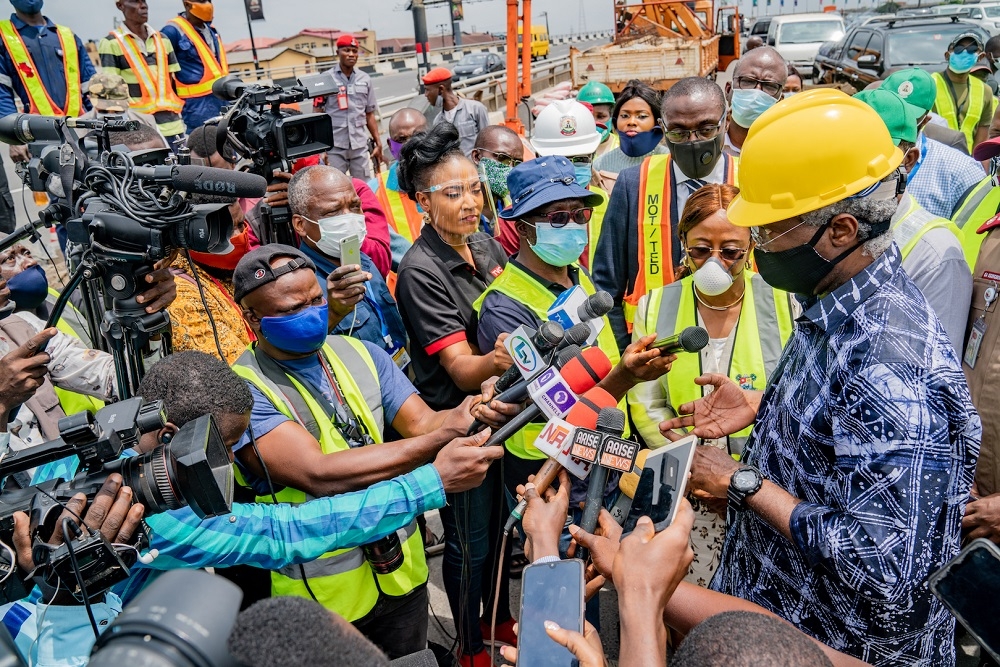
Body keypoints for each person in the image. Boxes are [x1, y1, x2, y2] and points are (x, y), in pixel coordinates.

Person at [659, 90, 980, 666]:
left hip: (836, 647)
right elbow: (851, 436)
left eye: (769, 230)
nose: (756, 247)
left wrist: (743, 482)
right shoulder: (837, 302)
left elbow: (884, 567)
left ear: (841, 231)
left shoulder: (889, 362)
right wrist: (765, 406)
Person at [5, 350, 502, 661]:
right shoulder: (152, 512)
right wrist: (431, 482)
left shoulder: (94, 450)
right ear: (173, 436)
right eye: (227, 448)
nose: (241, 466)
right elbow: (288, 531)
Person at [229, 244, 507, 660]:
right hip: (323, 593)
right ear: (253, 319)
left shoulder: (360, 352)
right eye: (291, 309)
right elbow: (317, 473)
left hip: (399, 572)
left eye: (316, 300)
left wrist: (471, 411)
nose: (310, 313)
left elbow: (424, 423)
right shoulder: (242, 389)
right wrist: (440, 438)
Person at [627, 183, 795, 586]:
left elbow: (793, 395)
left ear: (752, 245)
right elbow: (646, 401)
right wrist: (692, 471)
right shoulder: (657, 303)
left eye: (731, 251)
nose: (715, 263)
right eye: (701, 250)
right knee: (687, 599)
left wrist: (737, 479)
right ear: (682, 243)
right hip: (688, 486)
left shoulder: (784, 300)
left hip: (761, 486)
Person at [393, 122, 511, 666]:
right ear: (422, 201)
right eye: (453, 192)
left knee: (502, 534)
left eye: (474, 188)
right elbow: (462, 371)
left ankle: (499, 617)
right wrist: (507, 353)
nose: (470, 202)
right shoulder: (420, 270)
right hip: (459, 424)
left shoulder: (485, 244)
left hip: (505, 414)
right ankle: (469, 644)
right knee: (470, 542)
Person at [593, 76, 738, 351]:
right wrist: (625, 356)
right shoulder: (633, 184)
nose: (693, 142)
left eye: (706, 129)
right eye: (679, 133)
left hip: (736, 342)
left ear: (725, 122)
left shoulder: (750, 180)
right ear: (663, 129)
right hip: (654, 348)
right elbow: (606, 284)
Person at [856, 87, 973, 352]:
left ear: (908, 160)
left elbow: (936, 375)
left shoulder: (936, 253)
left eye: (872, 154)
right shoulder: (827, 223)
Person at [288, 165, 408, 363]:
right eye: (333, 211)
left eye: (354, 207)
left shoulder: (363, 260)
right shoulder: (300, 287)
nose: (349, 218)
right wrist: (334, 313)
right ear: (300, 224)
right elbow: (297, 355)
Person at [0, 0, 97, 164]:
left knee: (95, 184)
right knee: (50, 187)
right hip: (37, 136)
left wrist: (100, 126)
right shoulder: (4, 36)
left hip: (81, 130)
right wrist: (14, 138)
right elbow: (2, 92)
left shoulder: (68, 36)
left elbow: (90, 87)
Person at [879, 68, 984, 219]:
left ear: (925, 121)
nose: (894, 121)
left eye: (907, 117)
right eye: (888, 111)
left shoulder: (961, 172)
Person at [166, 194, 254, 364]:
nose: (238, 236)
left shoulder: (233, 271)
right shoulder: (180, 295)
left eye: (241, 225)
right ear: (193, 234)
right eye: (226, 229)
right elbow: (235, 372)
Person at [529, 100, 611, 268]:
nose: (570, 169)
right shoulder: (523, 214)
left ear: (593, 156)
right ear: (539, 157)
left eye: (580, 159)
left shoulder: (606, 202)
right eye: (561, 160)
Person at [98, 0, 186, 152]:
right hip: (140, 134)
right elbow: (112, 98)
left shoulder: (163, 40)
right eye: (135, 1)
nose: (143, 6)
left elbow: (174, 85)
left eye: (144, 1)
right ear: (120, 6)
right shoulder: (111, 43)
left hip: (174, 128)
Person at [161, 0, 228, 134]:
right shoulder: (172, 32)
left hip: (221, 99)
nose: (208, 5)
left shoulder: (211, 30)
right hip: (196, 106)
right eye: (202, 1)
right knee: (203, 146)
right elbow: (162, 72)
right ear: (187, 5)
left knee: (227, 143)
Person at [319, 34, 381, 179]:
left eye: (354, 51)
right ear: (337, 52)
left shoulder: (364, 79)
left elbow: (369, 113)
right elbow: (318, 114)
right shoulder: (326, 78)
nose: (351, 54)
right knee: (336, 189)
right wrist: (321, 149)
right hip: (334, 147)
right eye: (346, 50)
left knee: (364, 187)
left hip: (359, 146)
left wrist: (378, 141)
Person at [374, 108, 428, 264]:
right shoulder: (374, 191)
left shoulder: (450, 178)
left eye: (417, 136)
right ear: (390, 146)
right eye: (402, 139)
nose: (410, 144)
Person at [592, 79, 666, 180]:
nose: (631, 122)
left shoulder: (670, 160)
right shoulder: (600, 164)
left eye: (642, 116)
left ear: (657, 122)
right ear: (615, 121)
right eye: (625, 115)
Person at [933, 32, 993, 153]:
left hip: (967, 161)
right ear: (947, 55)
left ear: (980, 57)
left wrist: (976, 165)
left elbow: (982, 136)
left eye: (972, 49)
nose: (965, 53)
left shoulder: (985, 91)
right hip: (934, 157)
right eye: (959, 48)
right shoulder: (930, 83)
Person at [471, 124, 524, 256]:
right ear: (477, 156)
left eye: (517, 163)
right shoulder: (453, 209)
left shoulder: (517, 204)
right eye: (502, 158)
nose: (510, 168)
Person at [724, 46, 787, 157]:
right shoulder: (707, 144)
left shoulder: (788, 151)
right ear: (728, 90)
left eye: (769, 85)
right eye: (748, 81)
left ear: (780, 101)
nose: (756, 92)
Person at [422, 67, 490, 158]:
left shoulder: (475, 109)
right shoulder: (438, 121)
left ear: (441, 89)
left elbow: (488, 144)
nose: (425, 95)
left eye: (427, 90)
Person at [73, 73, 162, 139]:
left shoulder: (147, 123)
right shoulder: (77, 129)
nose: (111, 116)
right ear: (89, 100)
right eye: (104, 111)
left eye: (118, 111)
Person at [577, 80, 619, 162]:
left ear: (612, 116)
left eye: (601, 116)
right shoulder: (572, 148)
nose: (594, 123)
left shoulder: (622, 147)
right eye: (588, 117)